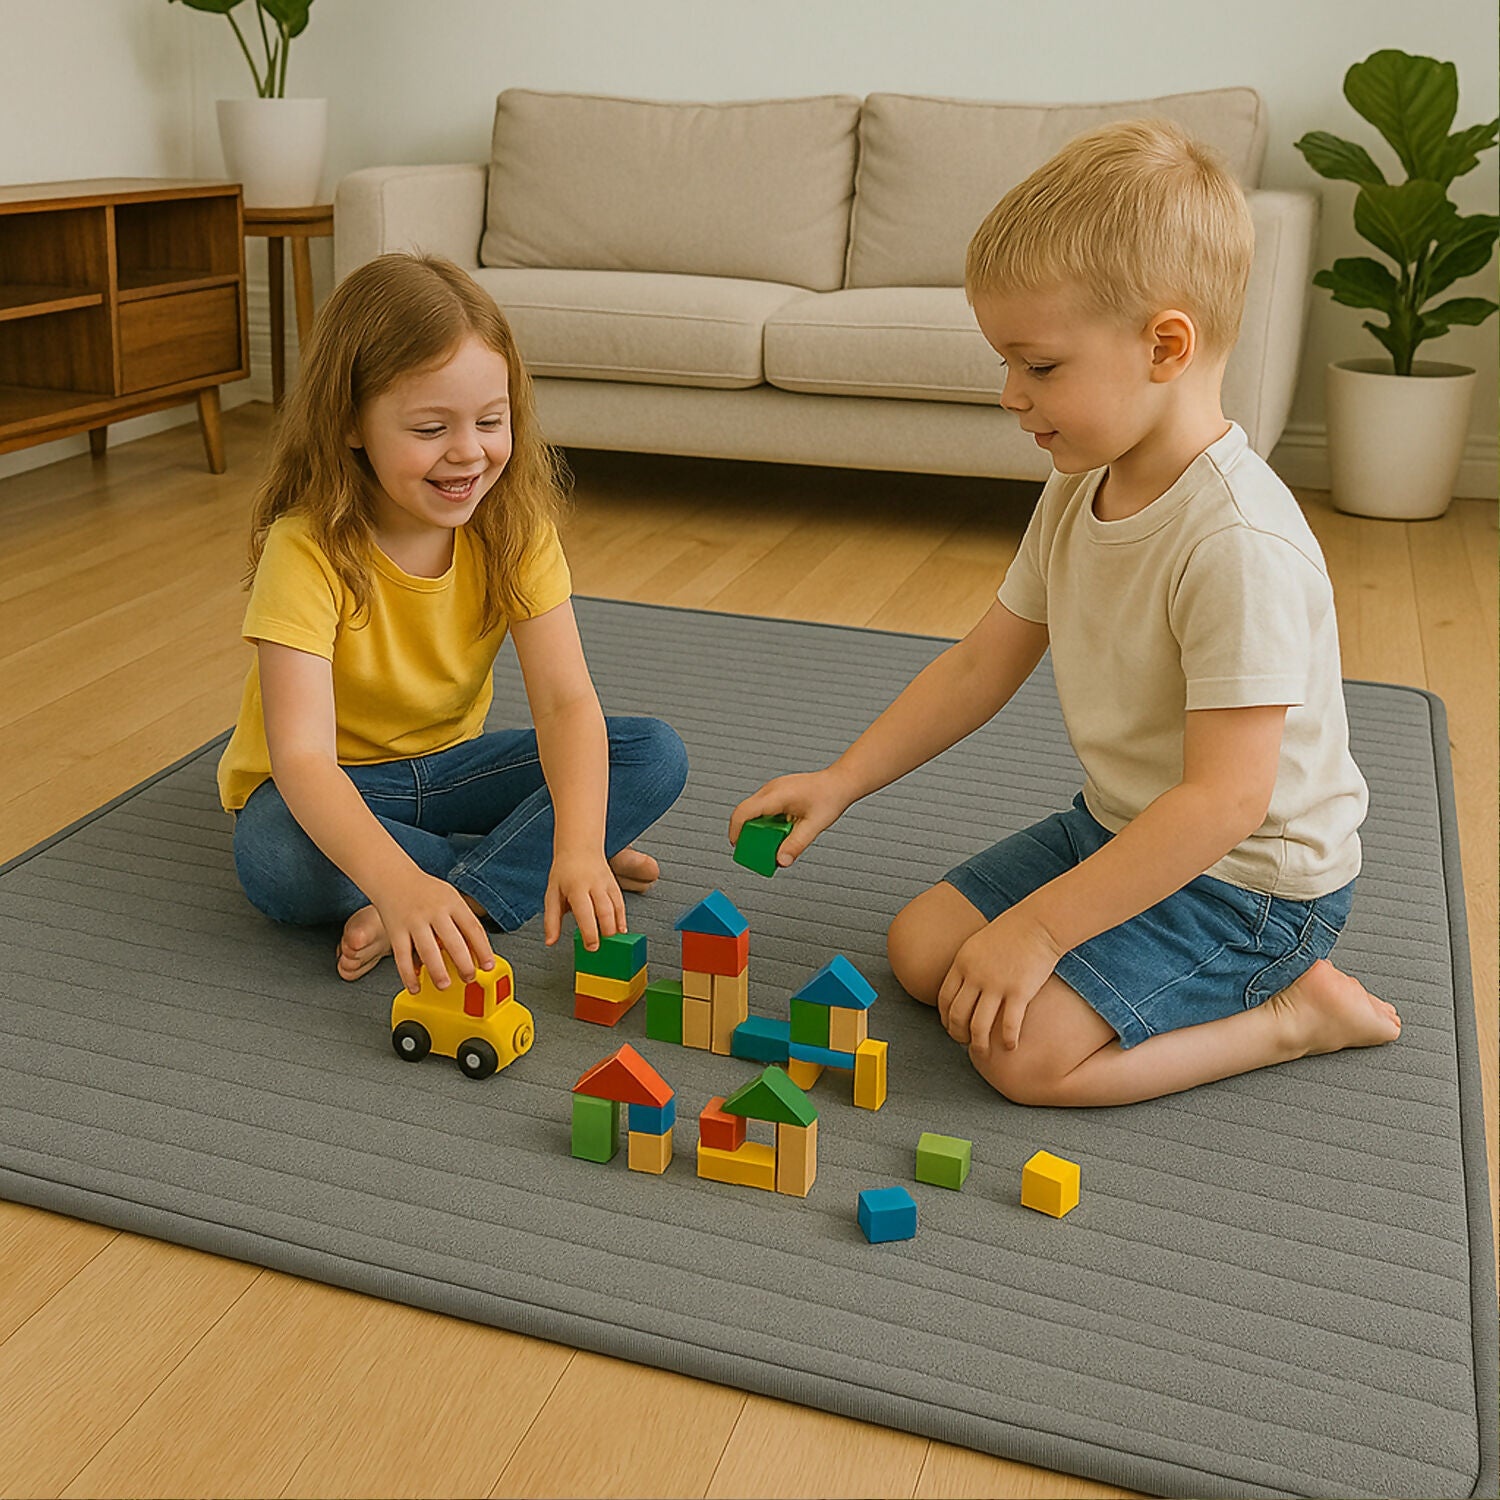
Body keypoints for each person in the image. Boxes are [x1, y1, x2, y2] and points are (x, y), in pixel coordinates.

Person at [729, 119, 1401, 1107]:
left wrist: (1042, 930)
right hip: (1119, 830)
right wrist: (843, 779)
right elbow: (981, 664)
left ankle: (1293, 1015)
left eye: (1039, 367)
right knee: (923, 953)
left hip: (1247, 884)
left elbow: (1224, 803)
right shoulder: (1080, 483)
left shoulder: (1238, 546)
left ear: (1165, 346)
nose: (1011, 395)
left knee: (1024, 1057)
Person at [218, 253, 688, 995]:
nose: (468, 452)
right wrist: (401, 885)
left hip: (454, 769)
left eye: (491, 421)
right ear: (350, 422)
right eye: (432, 427)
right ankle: (506, 869)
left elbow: (566, 703)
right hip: (337, 785)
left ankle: (473, 890)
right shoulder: (304, 548)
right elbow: (303, 761)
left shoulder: (515, 529)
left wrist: (576, 843)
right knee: (275, 851)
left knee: (653, 754)